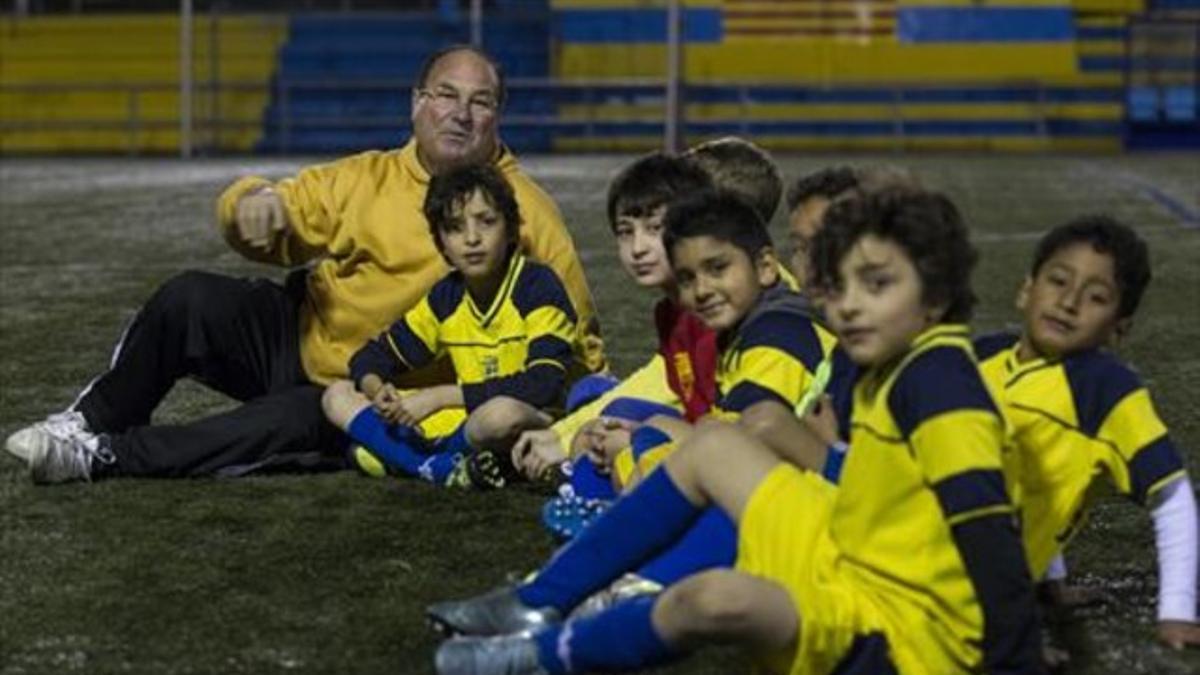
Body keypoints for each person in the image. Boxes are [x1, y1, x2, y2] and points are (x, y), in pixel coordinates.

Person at [428, 188, 1042, 674]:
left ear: (935, 296)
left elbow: (987, 529)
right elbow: (876, 483)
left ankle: (544, 655)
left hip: (901, 628)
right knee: (719, 445)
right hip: (855, 545)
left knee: (714, 600)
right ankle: (538, 604)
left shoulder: (941, 383)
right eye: (845, 282)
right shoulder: (882, 360)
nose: (850, 303)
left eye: (877, 284)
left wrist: (1015, 663)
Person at [4, 45, 603, 483]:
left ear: (497, 117)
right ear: (417, 104)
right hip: (295, 335)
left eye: (481, 101)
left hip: (365, 399)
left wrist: (577, 428)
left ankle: (103, 458)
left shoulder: (529, 214)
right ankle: (87, 422)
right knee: (190, 298)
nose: (461, 113)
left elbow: (580, 346)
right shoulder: (367, 176)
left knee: (270, 425)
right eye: (446, 94)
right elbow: (276, 204)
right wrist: (251, 207)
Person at [974, 215, 1200, 650]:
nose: (1069, 302)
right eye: (1058, 281)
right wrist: (1050, 580)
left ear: (1118, 330)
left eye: (1096, 296)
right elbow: (1035, 477)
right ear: (1026, 289)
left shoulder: (1105, 391)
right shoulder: (979, 355)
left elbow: (1171, 496)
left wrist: (1175, 611)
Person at [320, 164, 577, 489]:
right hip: (468, 424)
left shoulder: (537, 285)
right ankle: (444, 467)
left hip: (531, 419)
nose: (472, 238)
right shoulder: (447, 296)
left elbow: (544, 383)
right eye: (455, 227)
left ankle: (404, 459)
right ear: (441, 243)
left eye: (486, 222)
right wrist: (377, 389)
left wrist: (439, 397)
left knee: (499, 414)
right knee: (337, 394)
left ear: (511, 229)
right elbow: (372, 357)